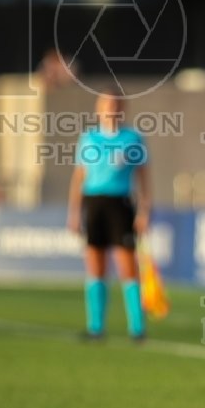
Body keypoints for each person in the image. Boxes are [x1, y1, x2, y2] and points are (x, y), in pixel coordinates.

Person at [67, 93, 150, 341]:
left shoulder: (132, 138)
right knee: (95, 265)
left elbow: (143, 177)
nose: (110, 109)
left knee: (127, 265)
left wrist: (145, 210)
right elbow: (79, 176)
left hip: (120, 203)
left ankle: (137, 328)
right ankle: (96, 327)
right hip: (94, 203)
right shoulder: (89, 138)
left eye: (114, 104)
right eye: (105, 104)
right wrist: (74, 212)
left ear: (122, 108)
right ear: (98, 108)